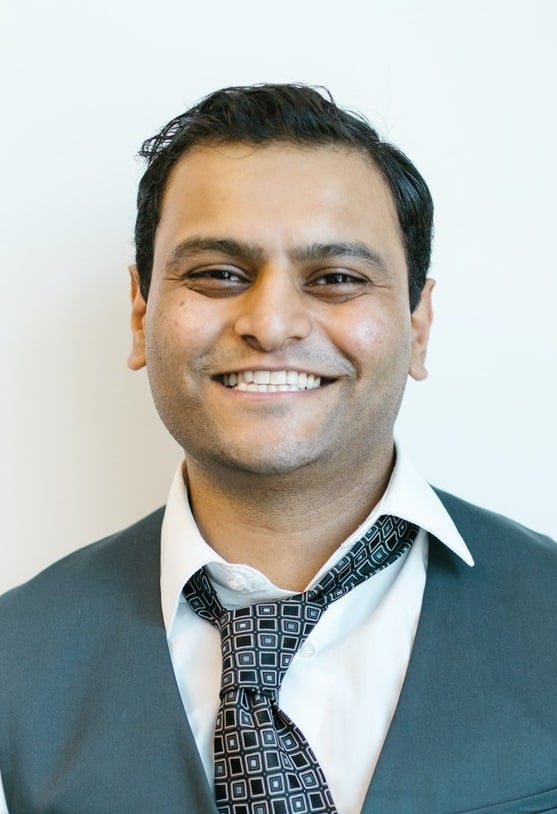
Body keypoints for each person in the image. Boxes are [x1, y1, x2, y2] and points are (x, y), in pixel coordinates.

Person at [0, 84, 555, 814]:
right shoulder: (14, 655)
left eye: (336, 279)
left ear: (418, 325)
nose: (270, 323)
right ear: (140, 313)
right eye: (217, 274)